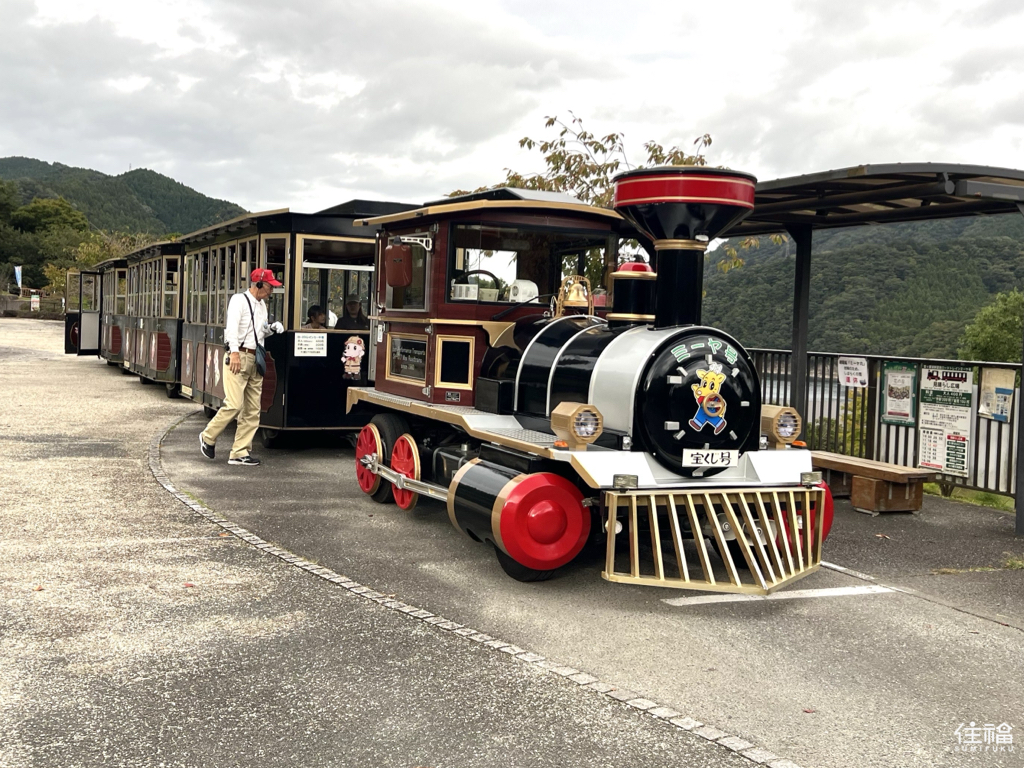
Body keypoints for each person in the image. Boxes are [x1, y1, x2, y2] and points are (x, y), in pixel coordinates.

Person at [199, 268, 284, 466]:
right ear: (259, 284)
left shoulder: (262, 305)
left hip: (256, 357)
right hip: (239, 355)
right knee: (234, 404)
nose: (272, 290)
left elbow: (260, 331)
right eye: (270, 286)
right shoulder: (239, 300)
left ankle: (239, 452)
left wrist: (271, 328)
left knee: (253, 409)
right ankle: (208, 436)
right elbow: (232, 329)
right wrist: (234, 353)